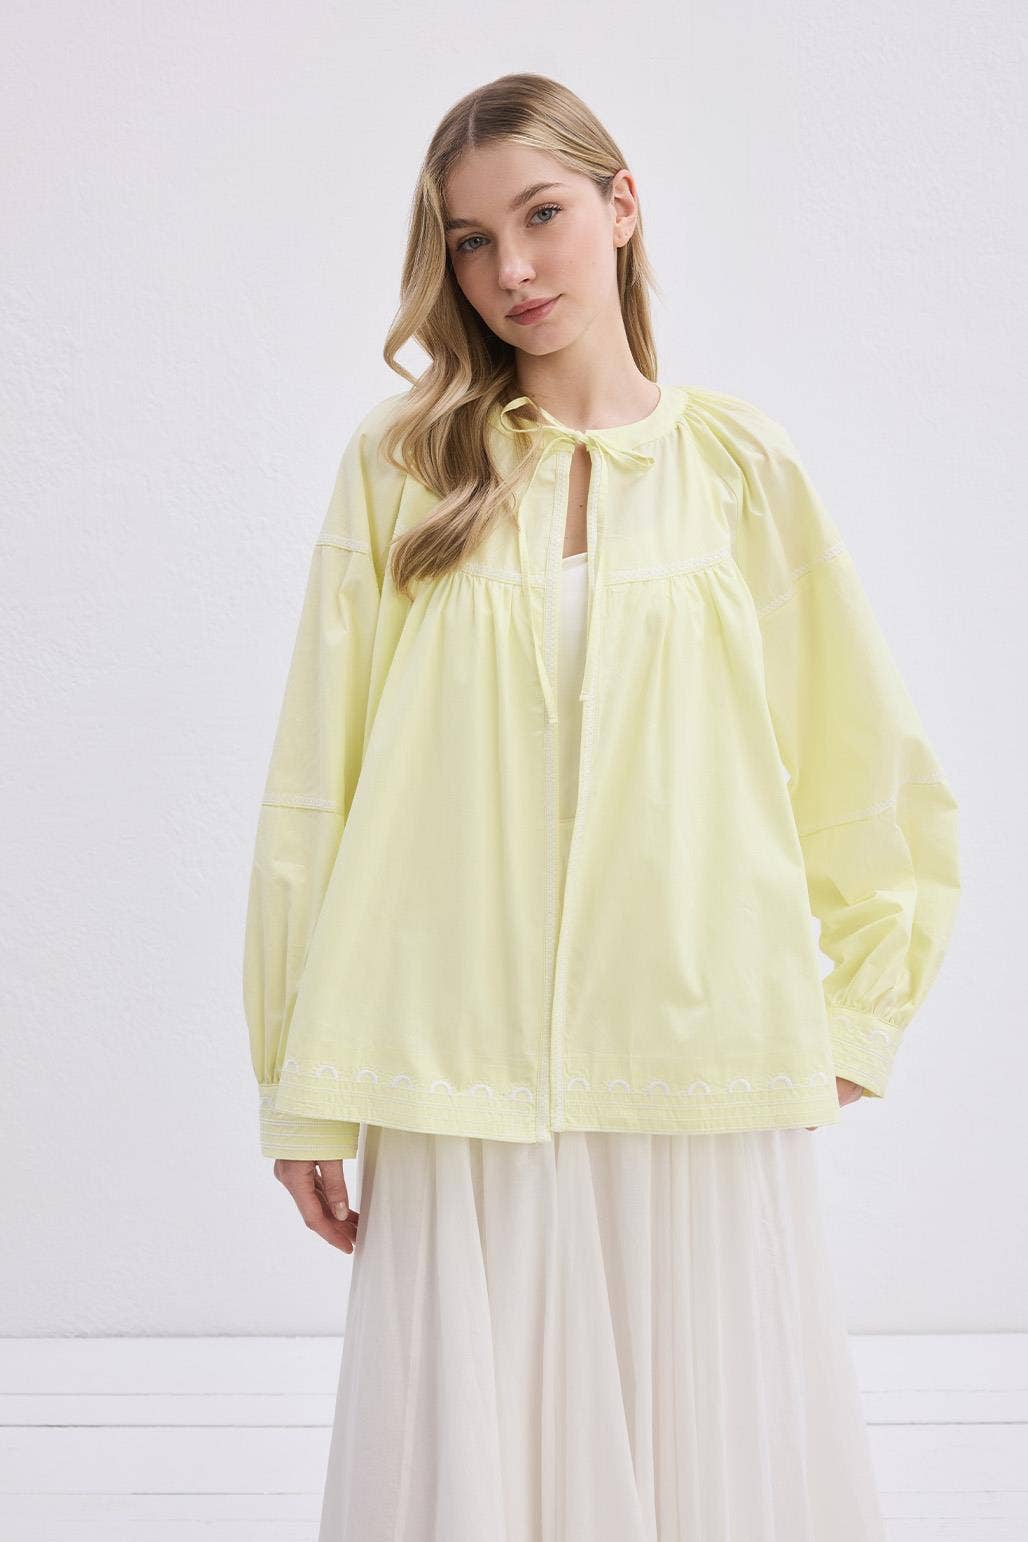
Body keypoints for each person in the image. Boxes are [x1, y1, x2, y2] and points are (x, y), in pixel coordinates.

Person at [241, 72, 960, 1541]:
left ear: (623, 207)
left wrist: (857, 1012)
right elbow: (319, 779)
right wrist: (298, 1077)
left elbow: (864, 762)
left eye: (543, 215)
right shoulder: (403, 468)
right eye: (469, 240)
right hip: (452, 1055)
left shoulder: (739, 470)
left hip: (692, 1046)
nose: (510, 269)